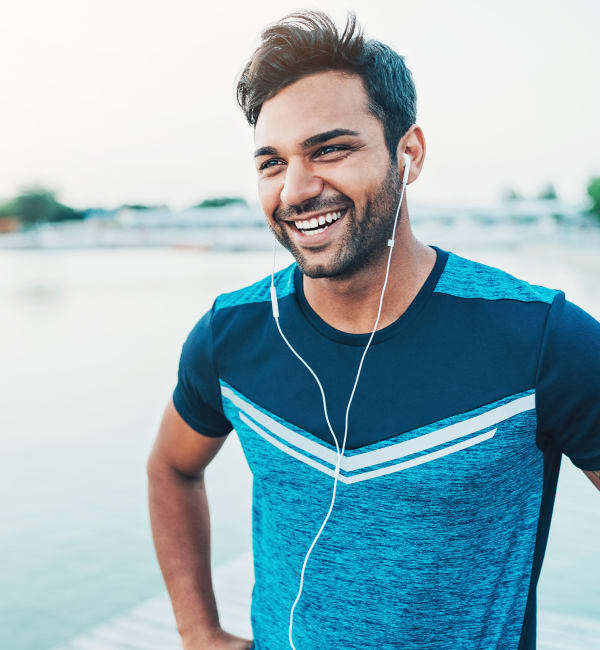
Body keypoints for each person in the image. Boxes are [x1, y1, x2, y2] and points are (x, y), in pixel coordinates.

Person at [146, 10, 600, 650]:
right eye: (272, 163)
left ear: (408, 153)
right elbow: (170, 468)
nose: (297, 190)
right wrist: (198, 632)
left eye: (330, 149)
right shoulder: (232, 333)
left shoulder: (538, 335)